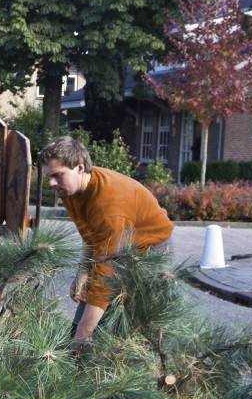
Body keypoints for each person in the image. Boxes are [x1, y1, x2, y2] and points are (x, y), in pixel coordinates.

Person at [39, 136, 174, 347]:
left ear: (80, 167)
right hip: (115, 245)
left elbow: (107, 272)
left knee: (127, 324)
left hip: (150, 249)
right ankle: (81, 351)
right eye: (49, 176)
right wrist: (83, 272)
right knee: (85, 320)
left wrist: (84, 332)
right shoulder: (71, 190)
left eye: (57, 175)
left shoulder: (107, 206)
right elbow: (89, 234)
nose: (51, 183)